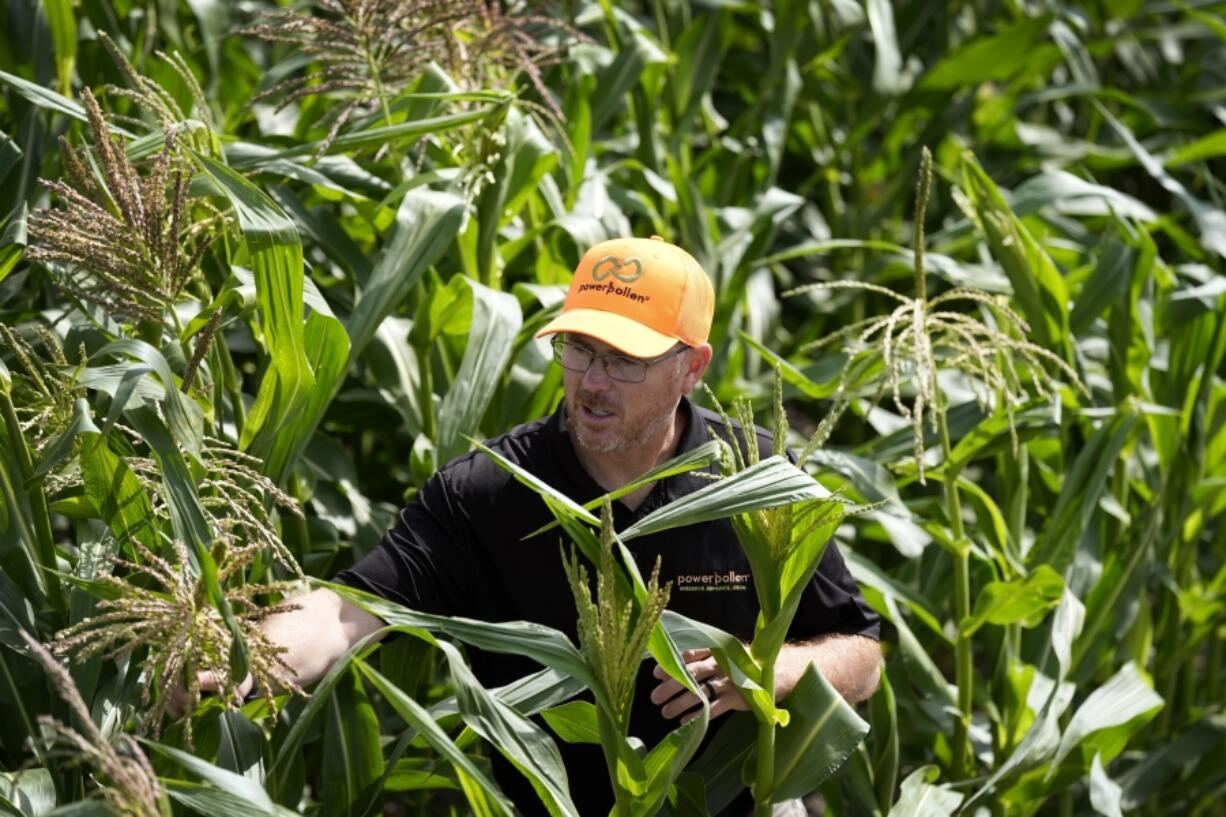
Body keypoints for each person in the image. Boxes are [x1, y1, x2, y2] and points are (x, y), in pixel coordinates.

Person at [219, 236, 881, 815]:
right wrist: (240, 658)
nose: (593, 381)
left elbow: (862, 651)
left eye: (625, 359)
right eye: (578, 348)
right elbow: (344, 611)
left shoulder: (756, 477)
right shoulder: (489, 493)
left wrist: (769, 670)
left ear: (692, 366)